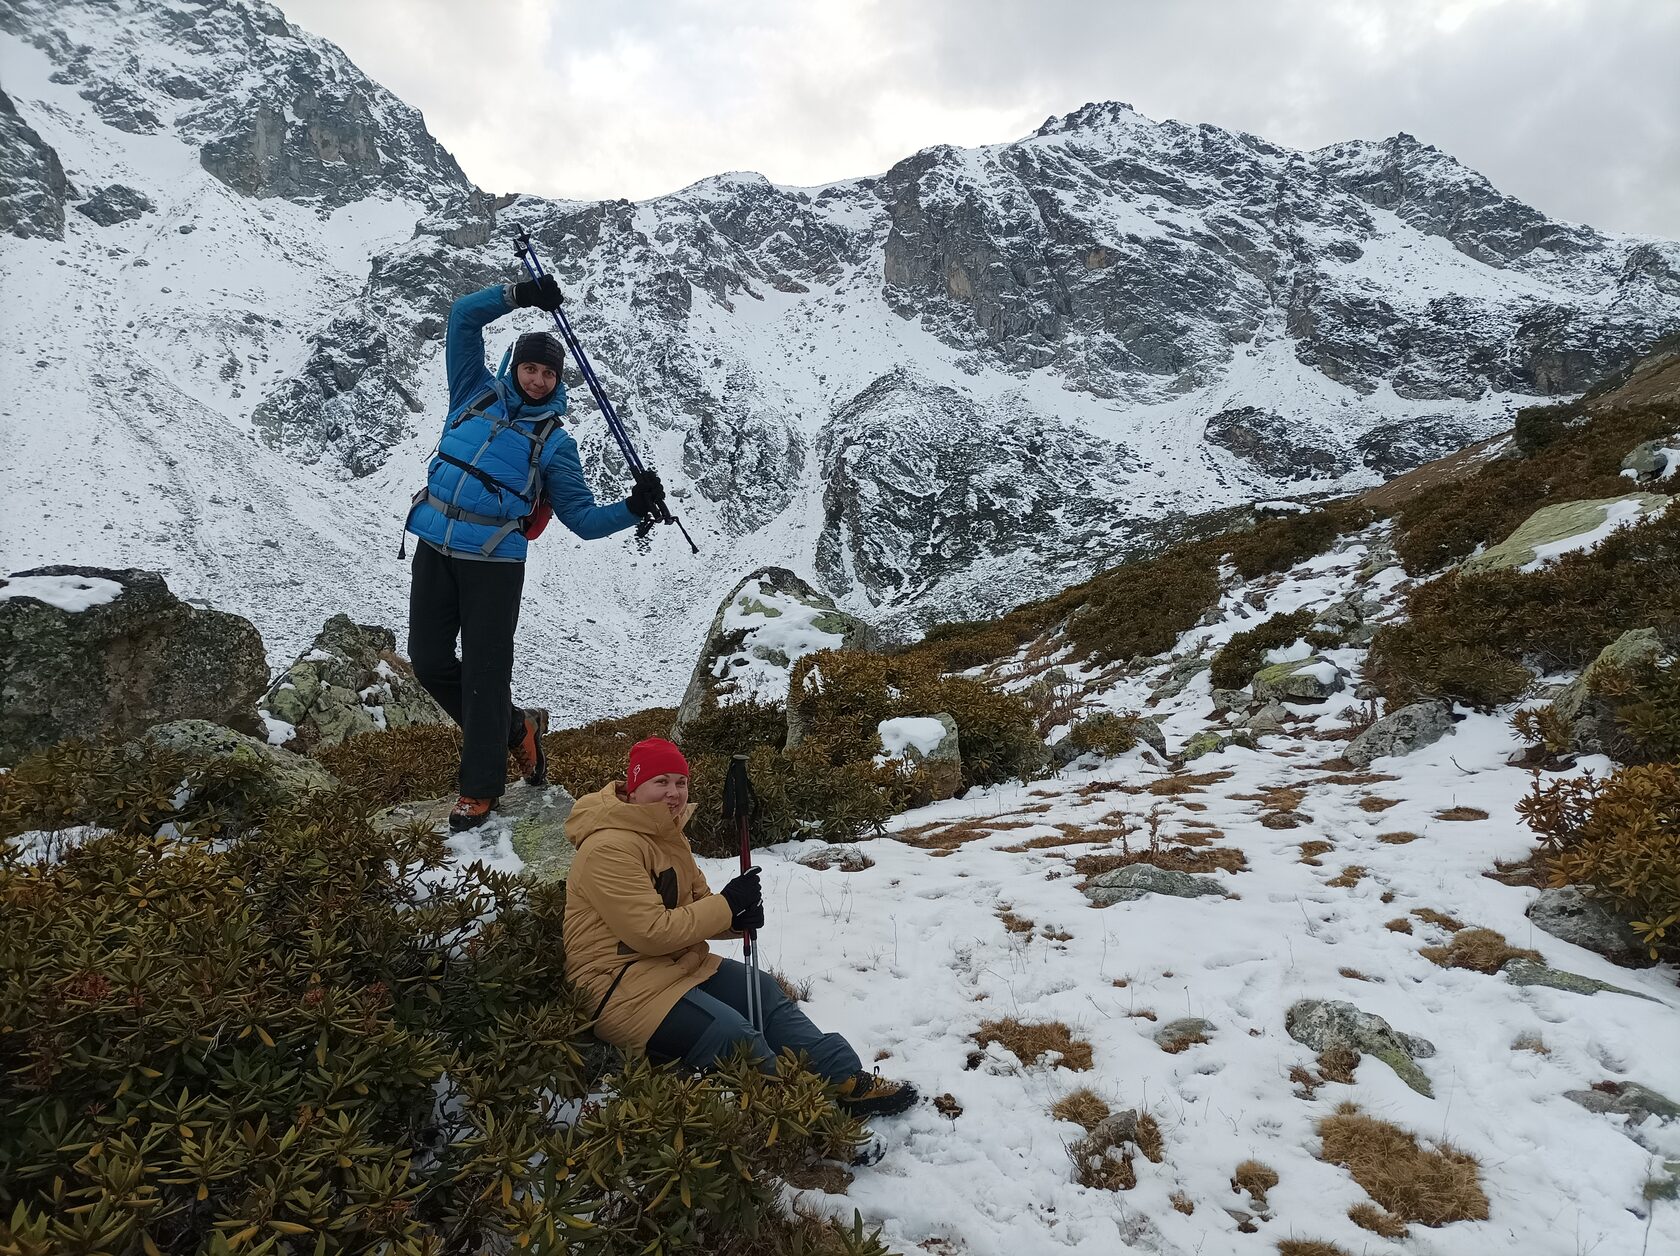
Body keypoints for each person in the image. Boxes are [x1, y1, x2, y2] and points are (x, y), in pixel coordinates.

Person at [404, 275, 668, 831]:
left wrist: (634, 506)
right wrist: (517, 295)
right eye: (531, 368)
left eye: (549, 373)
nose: (539, 380)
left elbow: (584, 520)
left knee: (484, 674)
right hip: (435, 545)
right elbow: (462, 318)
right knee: (428, 661)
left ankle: (479, 790)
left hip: (495, 565)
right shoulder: (472, 390)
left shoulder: (555, 443)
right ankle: (514, 730)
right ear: (514, 366)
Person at [563, 737, 918, 1118]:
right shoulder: (608, 847)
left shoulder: (667, 835)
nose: (673, 793)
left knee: (764, 993)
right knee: (732, 1034)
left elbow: (698, 905)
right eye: (660, 782)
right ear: (634, 789)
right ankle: (800, 1116)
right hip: (618, 986)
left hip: (675, 965)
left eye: (681, 783)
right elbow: (649, 931)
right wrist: (727, 905)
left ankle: (844, 1079)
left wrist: (735, 920)